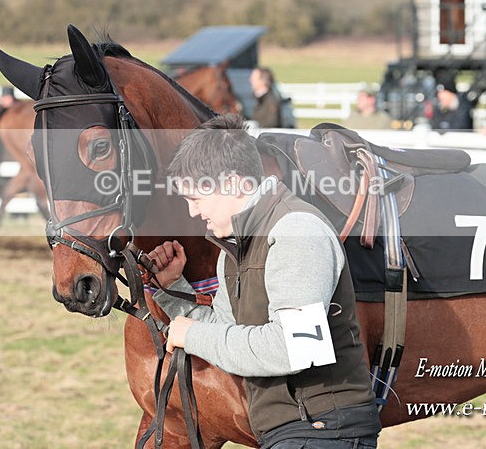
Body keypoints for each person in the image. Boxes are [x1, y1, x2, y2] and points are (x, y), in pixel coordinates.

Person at [147, 114, 380, 448]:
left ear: (233, 183)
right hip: (291, 430)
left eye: (196, 198)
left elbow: (295, 349)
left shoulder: (296, 231)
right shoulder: (233, 252)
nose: (193, 213)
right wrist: (173, 290)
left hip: (324, 430)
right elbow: (227, 331)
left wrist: (192, 335)